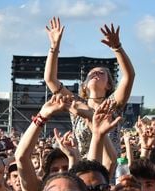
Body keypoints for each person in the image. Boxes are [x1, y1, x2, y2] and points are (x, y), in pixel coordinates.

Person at [44, 16, 135, 158]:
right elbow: (50, 79)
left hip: (109, 168)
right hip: (83, 167)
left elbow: (129, 76)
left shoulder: (112, 104)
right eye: (91, 73)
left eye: (101, 73)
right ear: (84, 86)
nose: (95, 74)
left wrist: (117, 48)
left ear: (109, 85)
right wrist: (54, 47)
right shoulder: (77, 104)